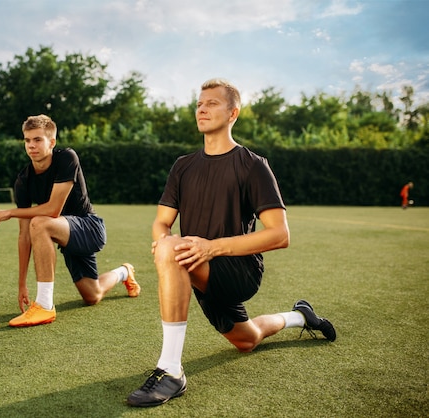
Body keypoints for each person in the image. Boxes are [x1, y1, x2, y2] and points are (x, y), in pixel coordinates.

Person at [126, 79, 336, 407]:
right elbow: (161, 222)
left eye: (211, 103)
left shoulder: (253, 165)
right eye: (199, 103)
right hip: (198, 267)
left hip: (239, 270)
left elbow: (279, 234)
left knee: (172, 250)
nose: (202, 108)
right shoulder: (183, 166)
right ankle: (300, 316)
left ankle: (170, 372)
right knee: (246, 339)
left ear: (233, 112)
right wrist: (162, 240)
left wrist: (210, 247)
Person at [0, 114, 140, 327]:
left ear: (51, 142)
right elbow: (24, 236)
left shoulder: (66, 158)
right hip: (66, 236)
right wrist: (21, 284)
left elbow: (53, 210)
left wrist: (12, 212)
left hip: (89, 228)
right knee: (93, 295)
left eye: (37, 140)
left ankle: (44, 305)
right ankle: (125, 271)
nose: (31, 145)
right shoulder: (23, 181)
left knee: (40, 222)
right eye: (27, 140)